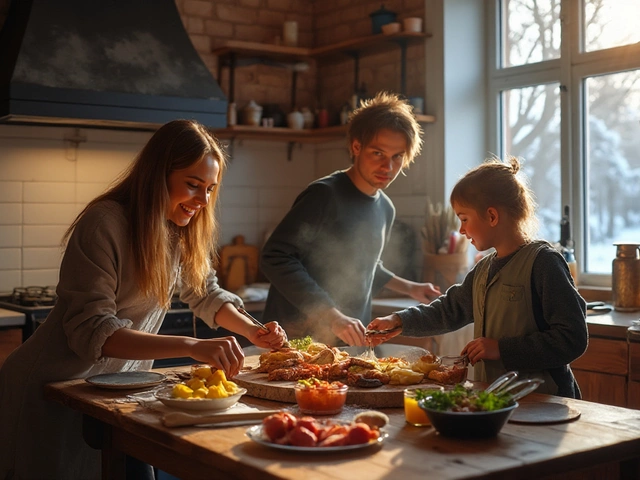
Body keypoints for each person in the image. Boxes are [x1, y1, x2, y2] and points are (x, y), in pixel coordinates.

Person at [0, 119, 287, 480]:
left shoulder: (178, 230)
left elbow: (205, 291)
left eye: (211, 189)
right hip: (52, 389)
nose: (203, 200)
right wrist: (192, 345)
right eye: (193, 185)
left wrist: (253, 331)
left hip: (119, 391)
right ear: (157, 176)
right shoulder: (104, 223)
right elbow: (94, 331)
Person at [367, 156, 588, 398]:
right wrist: (398, 320)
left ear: (492, 216)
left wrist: (501, 349)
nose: (461, 230)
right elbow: (447, 311)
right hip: (498, 401)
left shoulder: (544, 262)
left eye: (464, 219)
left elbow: (572, 338)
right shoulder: (483, 269)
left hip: (546, 404)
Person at [260, 91, 442, 347]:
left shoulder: (385, 209)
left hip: (347, 344)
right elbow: (275, 257)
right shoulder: (324, 195)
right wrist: (331, 316)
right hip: (295, 341)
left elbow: (364, 266)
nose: (387, 167)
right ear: (356, 147)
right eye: (378, 153)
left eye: (397, 157)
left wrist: (410, 288)